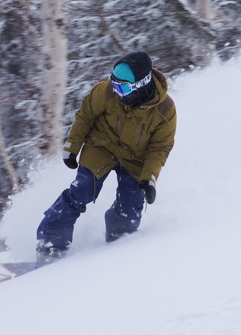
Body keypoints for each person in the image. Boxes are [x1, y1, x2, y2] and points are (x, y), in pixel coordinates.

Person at [36, 51, 177, 265]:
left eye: (123, 87)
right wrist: (72, 146)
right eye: (115, 84)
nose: (117, 91)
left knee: (130, 207)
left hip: (135, 158)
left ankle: (116, 247)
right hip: (101, 146)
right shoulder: (107, 91)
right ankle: (50, 244)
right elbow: (85, 115)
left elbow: (160, 147)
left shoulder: (165, 109)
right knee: (80, 191)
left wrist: (149, 178)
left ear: (142, 83)